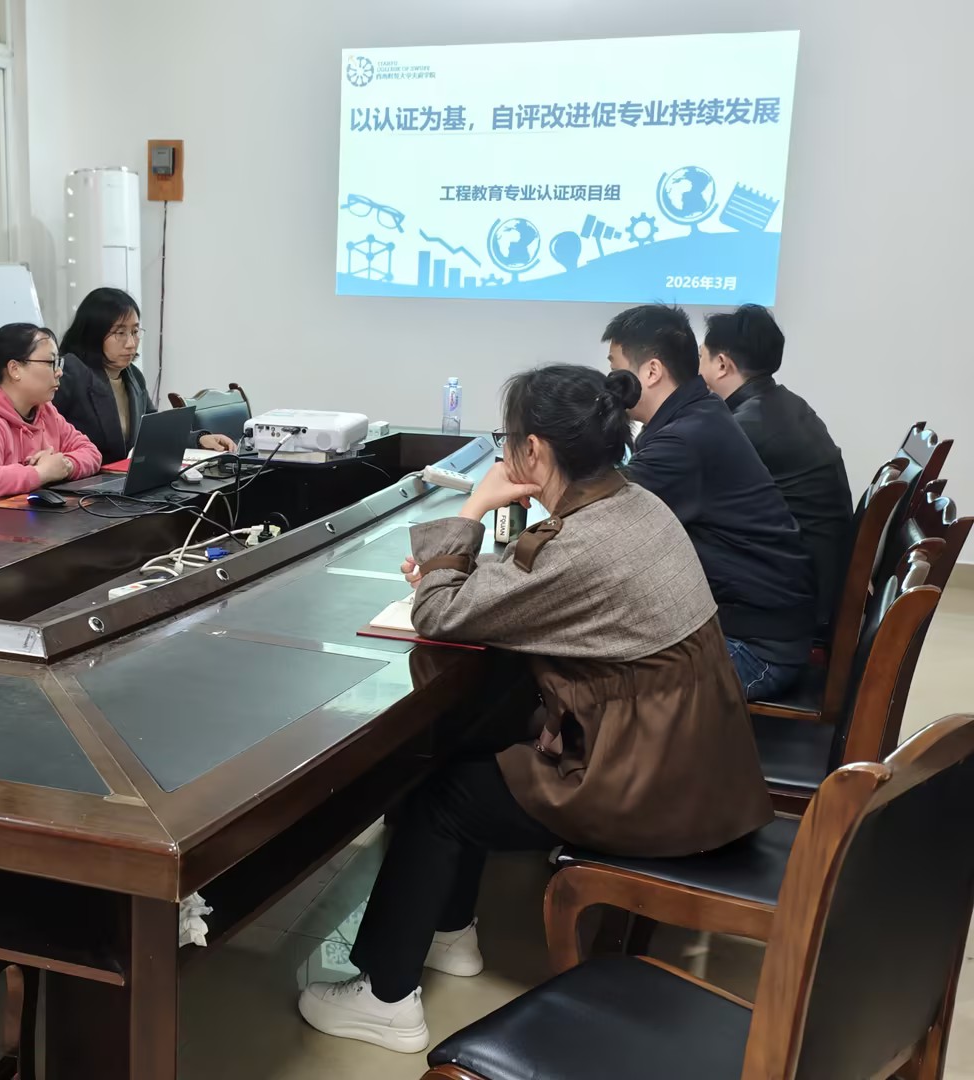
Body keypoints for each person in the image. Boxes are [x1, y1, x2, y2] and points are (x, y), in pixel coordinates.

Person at [297, 366, 771, 1053]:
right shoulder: (634, 503)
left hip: (650, 782)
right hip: (694, 757)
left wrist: (472, 510)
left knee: (440, 798)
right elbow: (525, 580)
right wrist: (455, 572)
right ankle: (451, 932)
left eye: (508, 440)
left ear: (535, 451)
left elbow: (442, 613)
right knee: (476, 736)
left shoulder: (584, 543)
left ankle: (385, 997)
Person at [603, 304, 816, 700]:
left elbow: (599, 521)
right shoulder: (698, 413)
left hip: (754, 651)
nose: (609, 383)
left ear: (651, 371)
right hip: (759, 629)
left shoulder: (683, 439)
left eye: (614, 368)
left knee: (593, 682)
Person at [700, 304, 853, 636]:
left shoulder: (746, 426)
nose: (696, 371)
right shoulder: (784, 404)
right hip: (820, 578)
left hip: (796, 603)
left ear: (722, 364)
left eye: (701, 359)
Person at [53, 287, 238, 463]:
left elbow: (154, 432)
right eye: (120, 333)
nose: (131, 343)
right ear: (93, 333)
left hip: (122, 478)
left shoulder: (133, 375)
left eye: (135, 332)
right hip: (84, 480)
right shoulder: (69, 372)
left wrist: (199, 439)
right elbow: (48, 435)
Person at [0, 323, 101, 512]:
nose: (59, 372)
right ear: (15, 369)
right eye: (51, 363)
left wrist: (64, 466)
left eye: (58, 363)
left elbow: (91, 452)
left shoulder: (45, 410)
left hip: (23, 518)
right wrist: (40, 473)